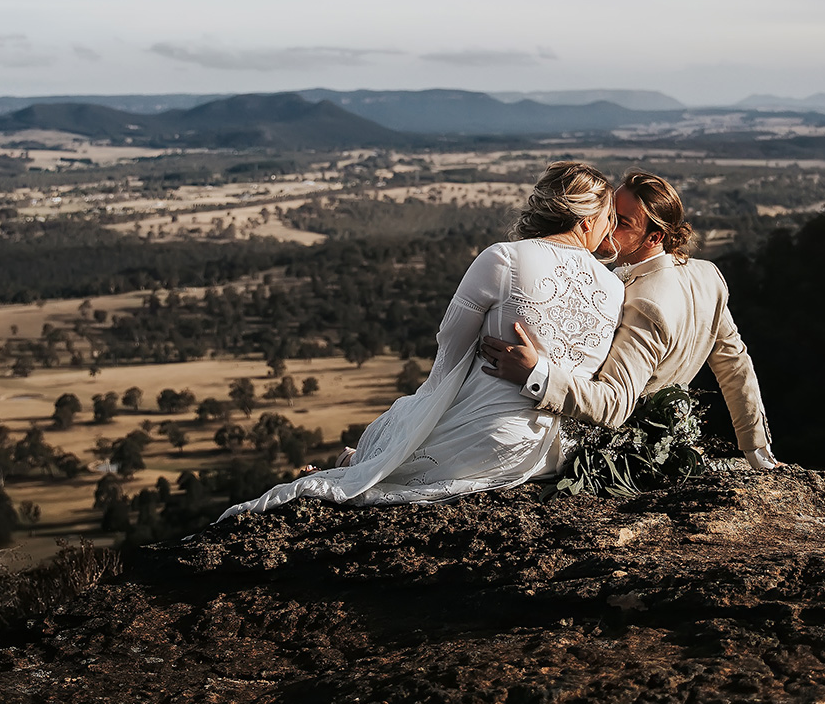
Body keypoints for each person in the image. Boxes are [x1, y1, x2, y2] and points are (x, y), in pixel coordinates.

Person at [215, 160, 622, 517]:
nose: (609, 231)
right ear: (585, 221)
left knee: (389, 431)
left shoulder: (505, 257)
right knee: (391, 441)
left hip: (492, 437)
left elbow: (450, 346)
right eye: (607, 220)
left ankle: (355, 466)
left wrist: (417, 415)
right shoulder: (615, 287)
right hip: (557, 451)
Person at [479, 169, 779, 471]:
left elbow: (614, 402)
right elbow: (735, 364)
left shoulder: (641, 301)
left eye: (622, 222)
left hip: (624, 453)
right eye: (609, 214)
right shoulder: (708, 275)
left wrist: (536, 374)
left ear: (654, 236)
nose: (608, 227)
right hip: (671, 440)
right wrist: (758, 451)